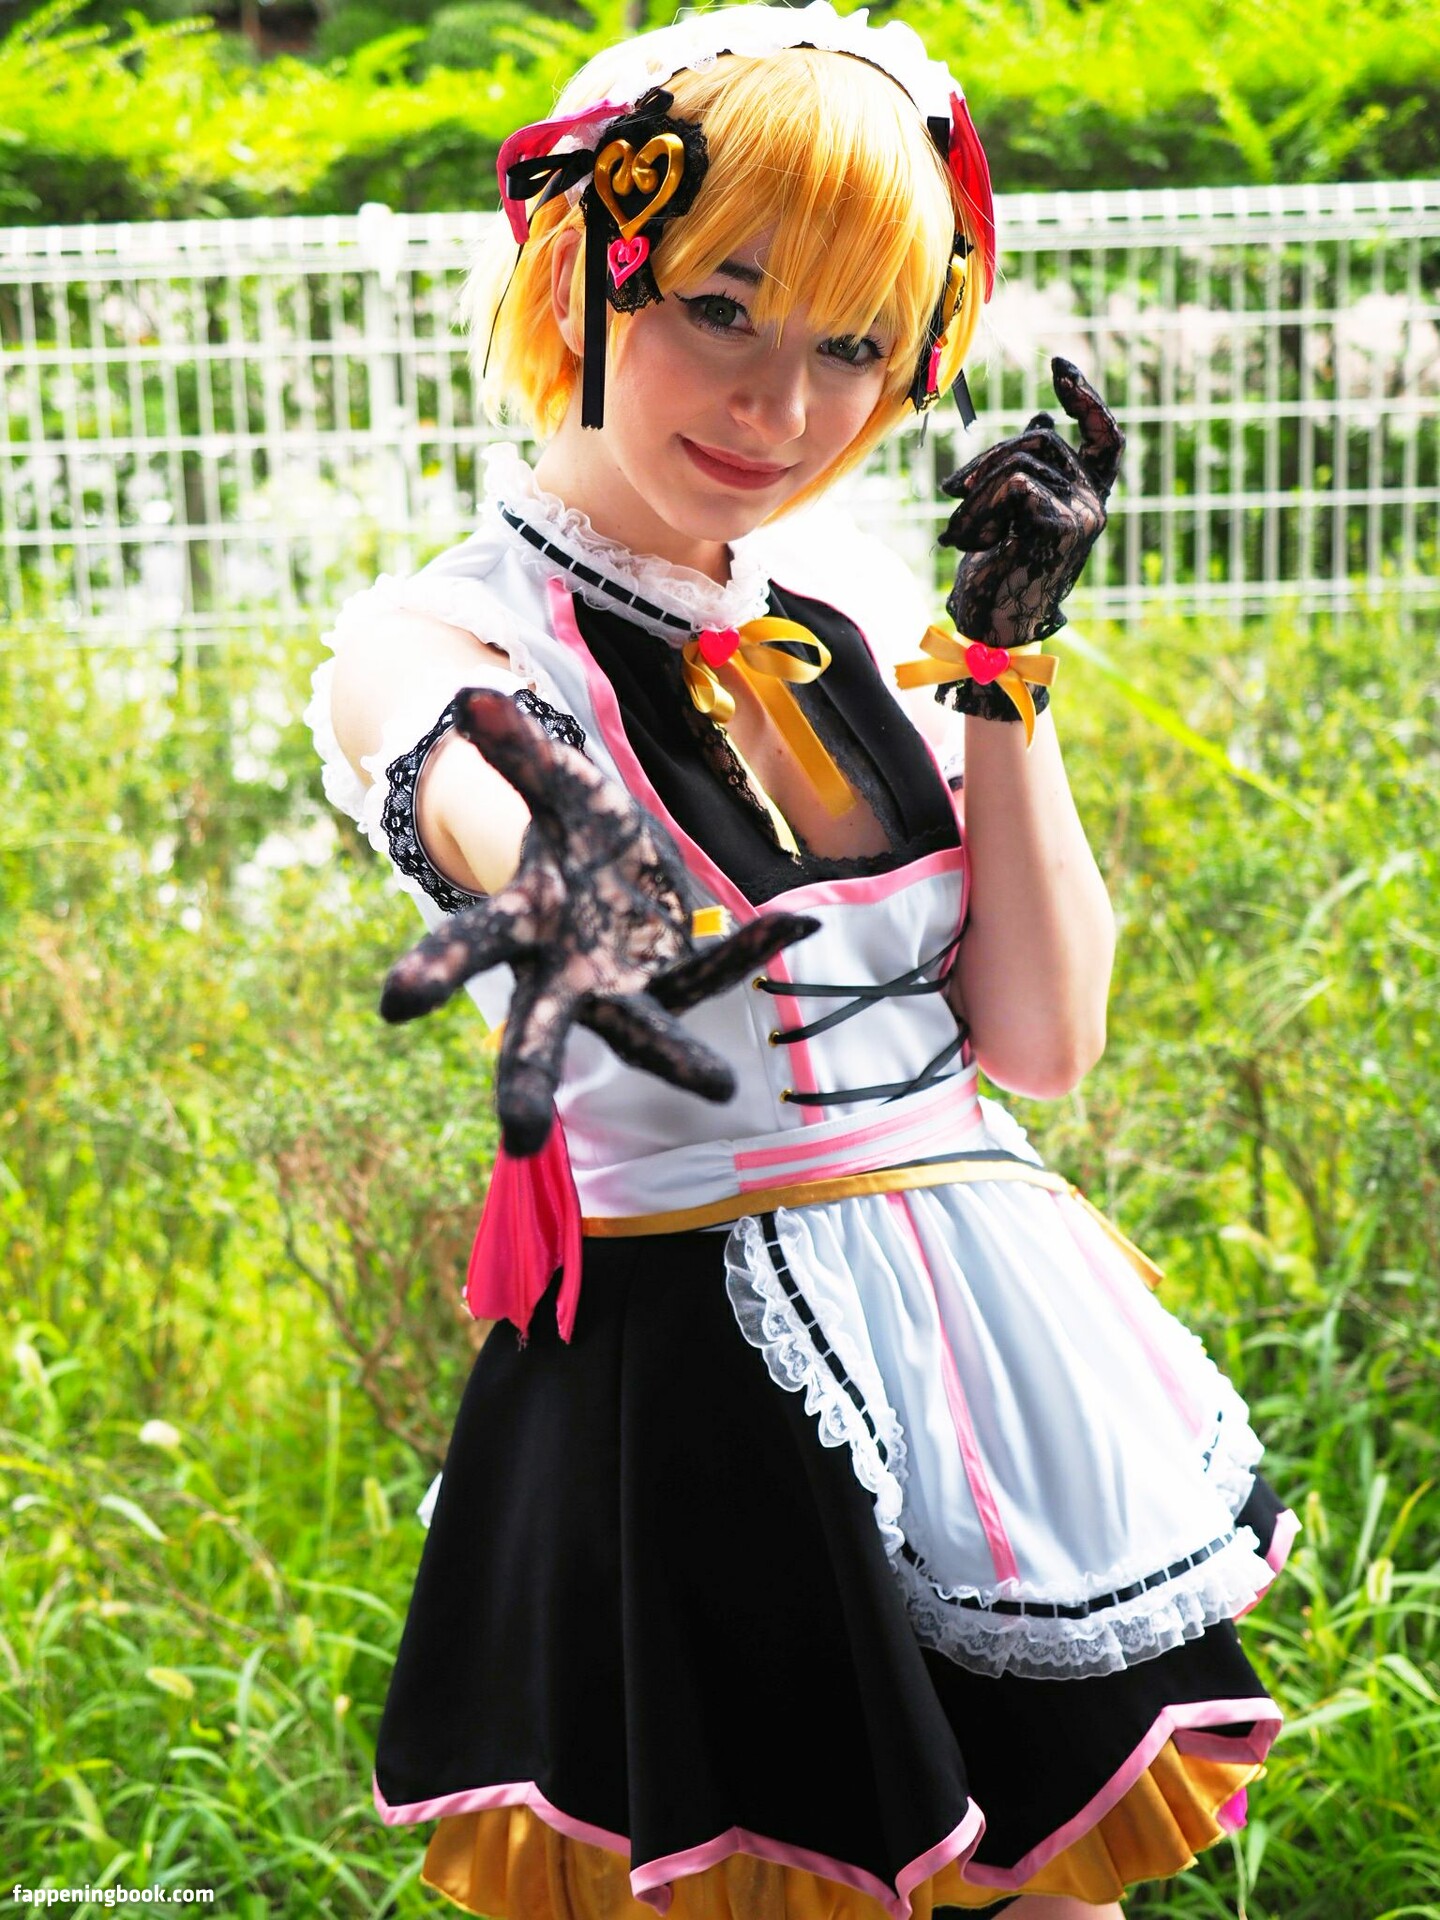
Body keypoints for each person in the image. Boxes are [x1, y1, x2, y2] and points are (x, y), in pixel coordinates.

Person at [305, 6, 1298, 1915]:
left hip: (993, 1355)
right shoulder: (437, 644)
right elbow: (513, 828)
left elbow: (1042, 1038)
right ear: (581, 275)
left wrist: (1001, 669)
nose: (779, 410)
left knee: (1059, 1891)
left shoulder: (852, 614)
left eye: (852, 344)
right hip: (702, 1383)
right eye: (721, 309)